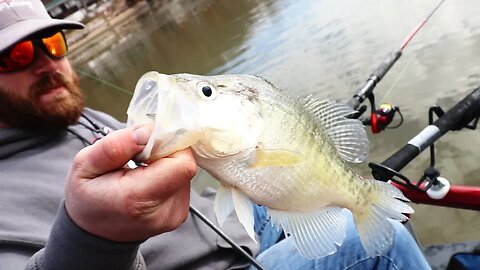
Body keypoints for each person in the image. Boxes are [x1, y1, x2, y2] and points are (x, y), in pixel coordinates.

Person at [0, 1, 432, 269]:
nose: (47, 64)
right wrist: (93, 240)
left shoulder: (72, 116)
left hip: (231, 213)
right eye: (17, 55)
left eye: (53, 43)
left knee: (367, 209)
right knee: (381, 241)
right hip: (225, 258)